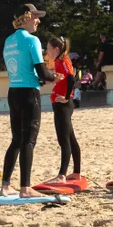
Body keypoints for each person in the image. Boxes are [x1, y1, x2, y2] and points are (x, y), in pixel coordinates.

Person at [1, 4, 61, 198]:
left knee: (16, 139)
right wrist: (54, 77)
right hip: (29, 95)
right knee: (29, 140)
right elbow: (43, 71)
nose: (38, 20)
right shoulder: (32, 40)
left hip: (13, 92)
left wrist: (41, 78)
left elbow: (22, 69)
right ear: (26, 17)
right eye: (35, 16)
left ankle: (5, 185)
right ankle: (25, 188)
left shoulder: (8, 41)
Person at [44, 37, 82, 184]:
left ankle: (62, 175)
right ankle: (77, 172)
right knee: (70, 138)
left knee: (63, 139)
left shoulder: (62, 60)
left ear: (56, 49)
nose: (47, 52)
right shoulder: (61, 61)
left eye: (48, 48)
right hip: (61, 105)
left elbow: (72, 79)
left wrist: (66, 97)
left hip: (63, 105)